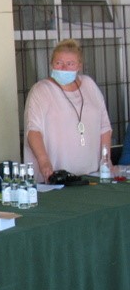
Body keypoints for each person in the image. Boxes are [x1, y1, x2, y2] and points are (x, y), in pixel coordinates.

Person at [23, 39, 112, 182]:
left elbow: (105, 127)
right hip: (56, 177)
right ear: (51, 64)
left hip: (92, 174)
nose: (64, 68)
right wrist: (43, 161)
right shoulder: (41, 91)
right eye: (59, 63)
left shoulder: (89, 85)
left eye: (70, 64)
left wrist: (106, 160)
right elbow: (33, 131)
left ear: (79, 66)